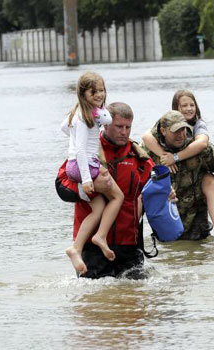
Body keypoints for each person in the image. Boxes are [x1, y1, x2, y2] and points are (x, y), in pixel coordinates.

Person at [56, 102, 155, 279]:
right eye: (119, 127)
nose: (124, 132)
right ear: (105, 124)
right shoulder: (86, 152)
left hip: (129, 246)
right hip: (92, 247)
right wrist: (87, 189)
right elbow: (61, 186)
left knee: (137, 301)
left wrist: (166, 195)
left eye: (128, 127)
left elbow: (153, 192)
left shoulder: (140, 158)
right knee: (94, 303)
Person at [141, 90, 214, 241]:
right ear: (163, 130)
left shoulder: (198, 132)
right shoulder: (155, 138)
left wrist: (175, 158)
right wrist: (162, 157)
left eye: (183, 130)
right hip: (168, 213)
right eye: (184, 105)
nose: (181, 135)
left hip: (195, 214)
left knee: (209, 180)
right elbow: (146, 137)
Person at [60, 72, 124, 274]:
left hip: (80, 165)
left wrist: (96, 108)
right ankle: (101, 236)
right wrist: (87, 179)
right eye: (93, 91)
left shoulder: (83, 113)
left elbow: (64, 127)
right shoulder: (82, 118)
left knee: (98, 208)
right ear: (82, 93)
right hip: (83, 166)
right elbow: (79, 150)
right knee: (118, 196)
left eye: (102, 90)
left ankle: (76, 248)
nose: (99, 94)